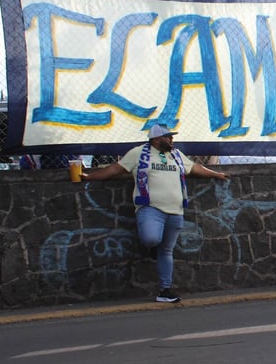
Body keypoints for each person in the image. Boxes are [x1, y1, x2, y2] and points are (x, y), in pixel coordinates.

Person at [82, 124, 230, 303]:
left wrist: (216, 174)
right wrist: (90, 177)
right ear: (156, 139)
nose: (172, 139)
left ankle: (165, 290)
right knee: (151, 239)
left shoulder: (176, 155)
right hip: (150, 208)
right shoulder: (138, 154)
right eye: (168, 137)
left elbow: (196, 168)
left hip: (176, 210)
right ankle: (153, 248)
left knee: (166, 251)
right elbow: (115, 169)